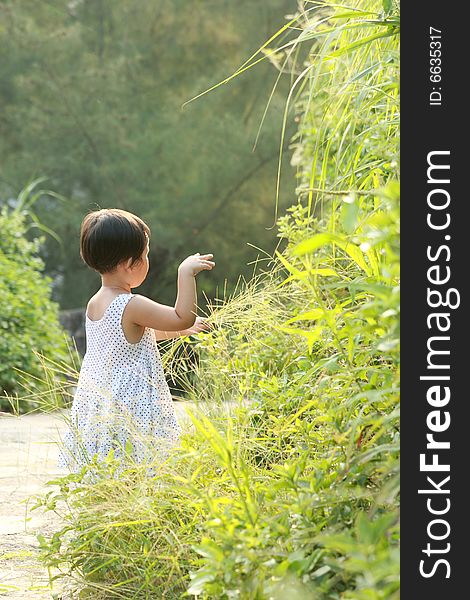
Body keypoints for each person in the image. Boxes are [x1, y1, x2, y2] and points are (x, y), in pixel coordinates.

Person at [57, 208, 215, 475]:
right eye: (145, 255)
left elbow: (134, 337)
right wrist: (184, 274)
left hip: (106, 405)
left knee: (114, 466)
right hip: (134, 405)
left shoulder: (95, 303)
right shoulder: (131, 304)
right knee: (140, 463)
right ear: (130, 264)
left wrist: (182, 332)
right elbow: (181, 316)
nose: (147, 260)